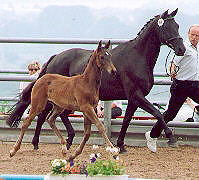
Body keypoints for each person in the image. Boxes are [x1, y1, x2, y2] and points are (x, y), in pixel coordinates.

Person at [145, 24, 199, 152]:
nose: (194, 38)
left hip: (195, 85)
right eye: (192, 35)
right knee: (170, 114)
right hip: (181, 85)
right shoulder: (184, 48)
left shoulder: (196, 49)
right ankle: (152, 135)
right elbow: (173, 63)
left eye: (197, 36)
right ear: (188, 34)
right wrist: (172, 71)